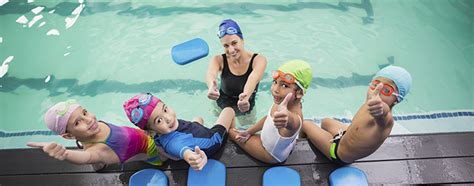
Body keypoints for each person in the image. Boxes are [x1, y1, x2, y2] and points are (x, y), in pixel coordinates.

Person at [303, 65, 412, 164]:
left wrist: (381, 109)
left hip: (339, 153)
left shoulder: (385, 120)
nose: (377, 91)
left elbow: (383, 114)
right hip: (345, 136)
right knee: (325, 121)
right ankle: (322, 141)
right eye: (375, 84)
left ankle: (300, 149)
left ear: (397, 100)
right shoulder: (371, 100)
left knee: (305, 124)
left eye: (387, 90)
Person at [27, 99, 164, 171]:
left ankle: (98, 165)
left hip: (136, 140)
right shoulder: (98, 150)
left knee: (88, 147)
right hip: (153, 152)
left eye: (85, 113)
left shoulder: (92, 127)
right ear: (68, 136)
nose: (89, 120)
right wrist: (65, 154)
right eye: (77, 123)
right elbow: (86, 157)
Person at [123, 93, 235, 171]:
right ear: (150, 131)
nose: (168, 118)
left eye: (165, 109)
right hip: (211, 140)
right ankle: (233, 135)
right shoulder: (174, 143)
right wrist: (192, 158)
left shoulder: (159, 132)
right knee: (228, 110)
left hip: (190, 133)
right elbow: (183, 150)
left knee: (198, 118)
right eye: (159, 120)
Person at [229, 60, 312, 163]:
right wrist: (249, 131)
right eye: (275, 82)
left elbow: (293, 122)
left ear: (299, 93)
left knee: (230, 132)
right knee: (242, 133)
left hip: (269, 153)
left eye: (284, 85)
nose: (275, 89)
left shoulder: (294, 118)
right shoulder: (283, 102)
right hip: (281, 147)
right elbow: (268, 118)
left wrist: (287, 118)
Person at [206, 19, 267, 116]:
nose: (231, 50)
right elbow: (211, 73)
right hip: (223, 103)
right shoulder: (218, 60)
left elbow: (253, 78)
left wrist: (245, 97)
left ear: (242, 40)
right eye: (226, 46)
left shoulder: (259, 60)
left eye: (234, 43)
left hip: (246, 104)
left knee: (247, 130)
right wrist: (211, 87)